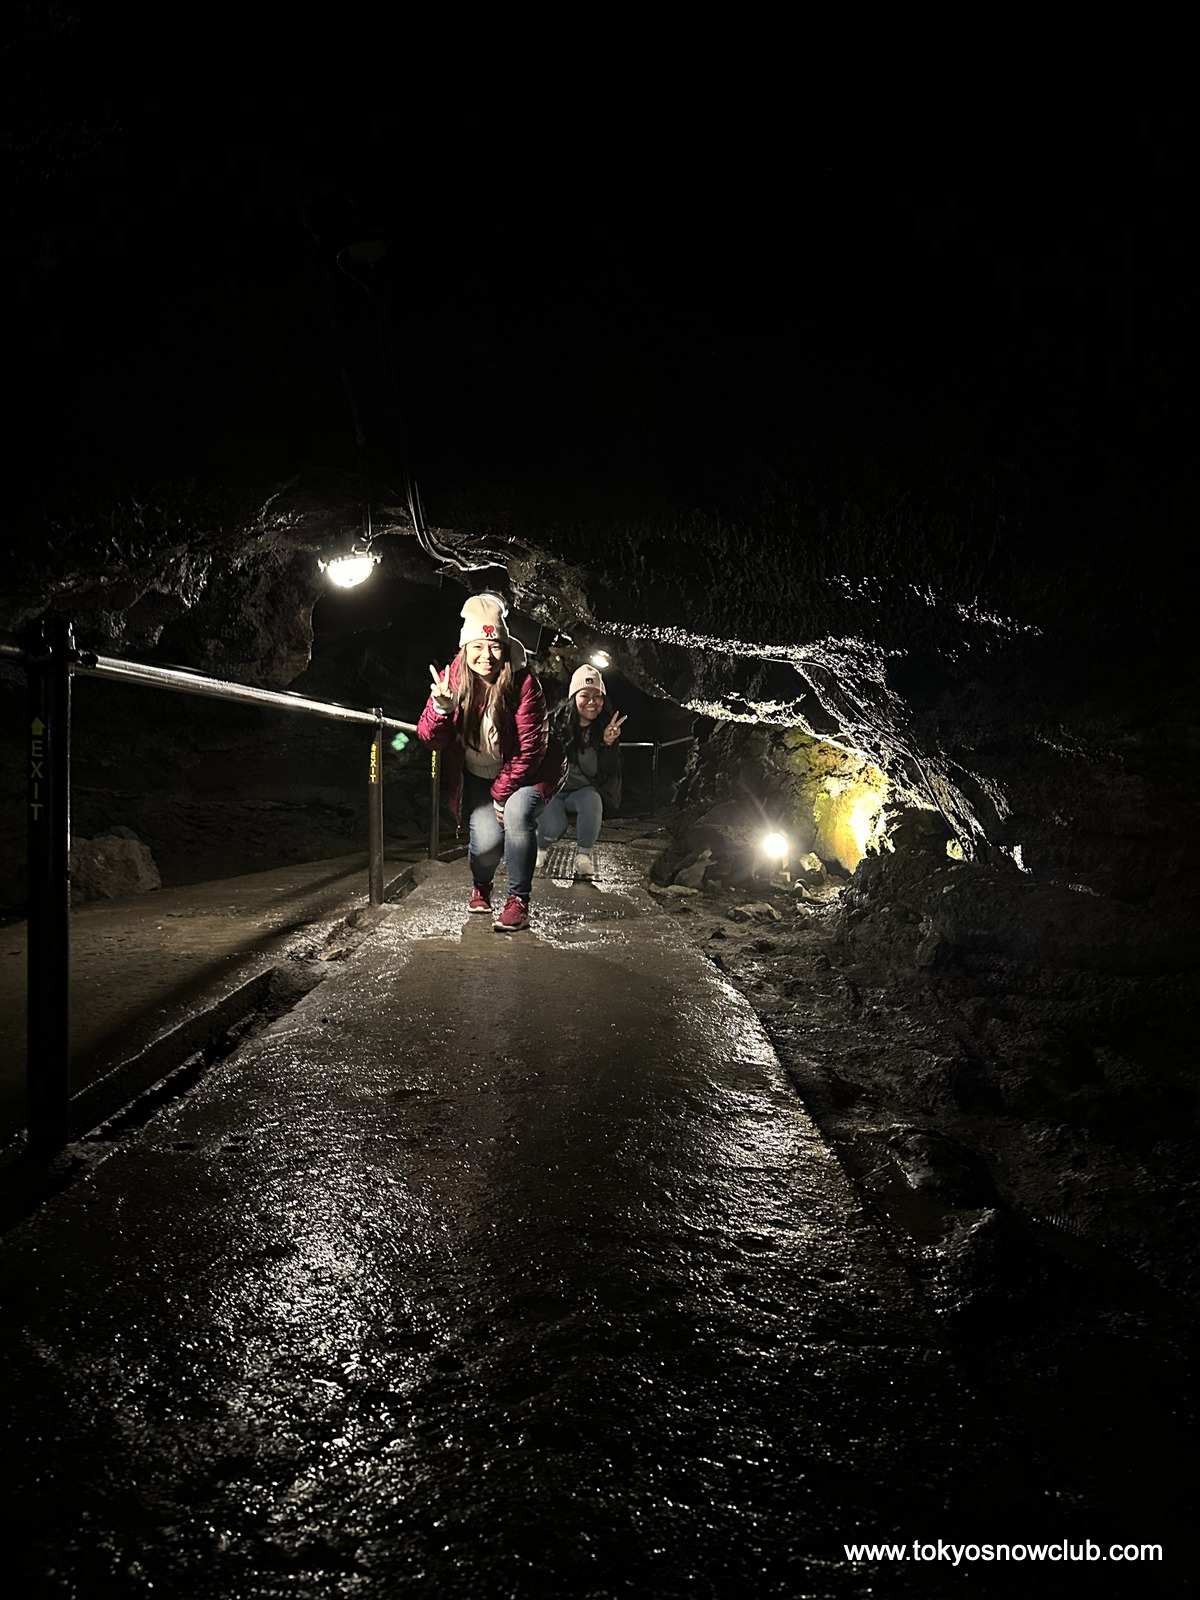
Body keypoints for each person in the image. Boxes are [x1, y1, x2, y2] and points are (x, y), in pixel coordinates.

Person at [418, 594, 566, 931]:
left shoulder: (523, 683)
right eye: (478, 646)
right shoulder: (451, 680)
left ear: (505, 646)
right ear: (465, 648)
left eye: (495, 646)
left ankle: (518, 901)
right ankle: (482, 886)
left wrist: (502, 794)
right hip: (478, 775)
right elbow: (430, 739)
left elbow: (530, 749)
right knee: (484, 847)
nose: (486, 655)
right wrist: (441, 708)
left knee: (516, 814)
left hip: (529, 772)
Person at [536, 664, 626, 880]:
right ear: (574, 697)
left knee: (592, 800)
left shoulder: (606, 728)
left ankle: (583, 856)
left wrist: (608, 744)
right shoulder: (554, 723)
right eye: (585, 695)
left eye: (597, 696)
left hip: (582, 790)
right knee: (554, 827)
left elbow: (609, 771)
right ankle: (539, 848)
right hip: (554, 790)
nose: (592, 702)